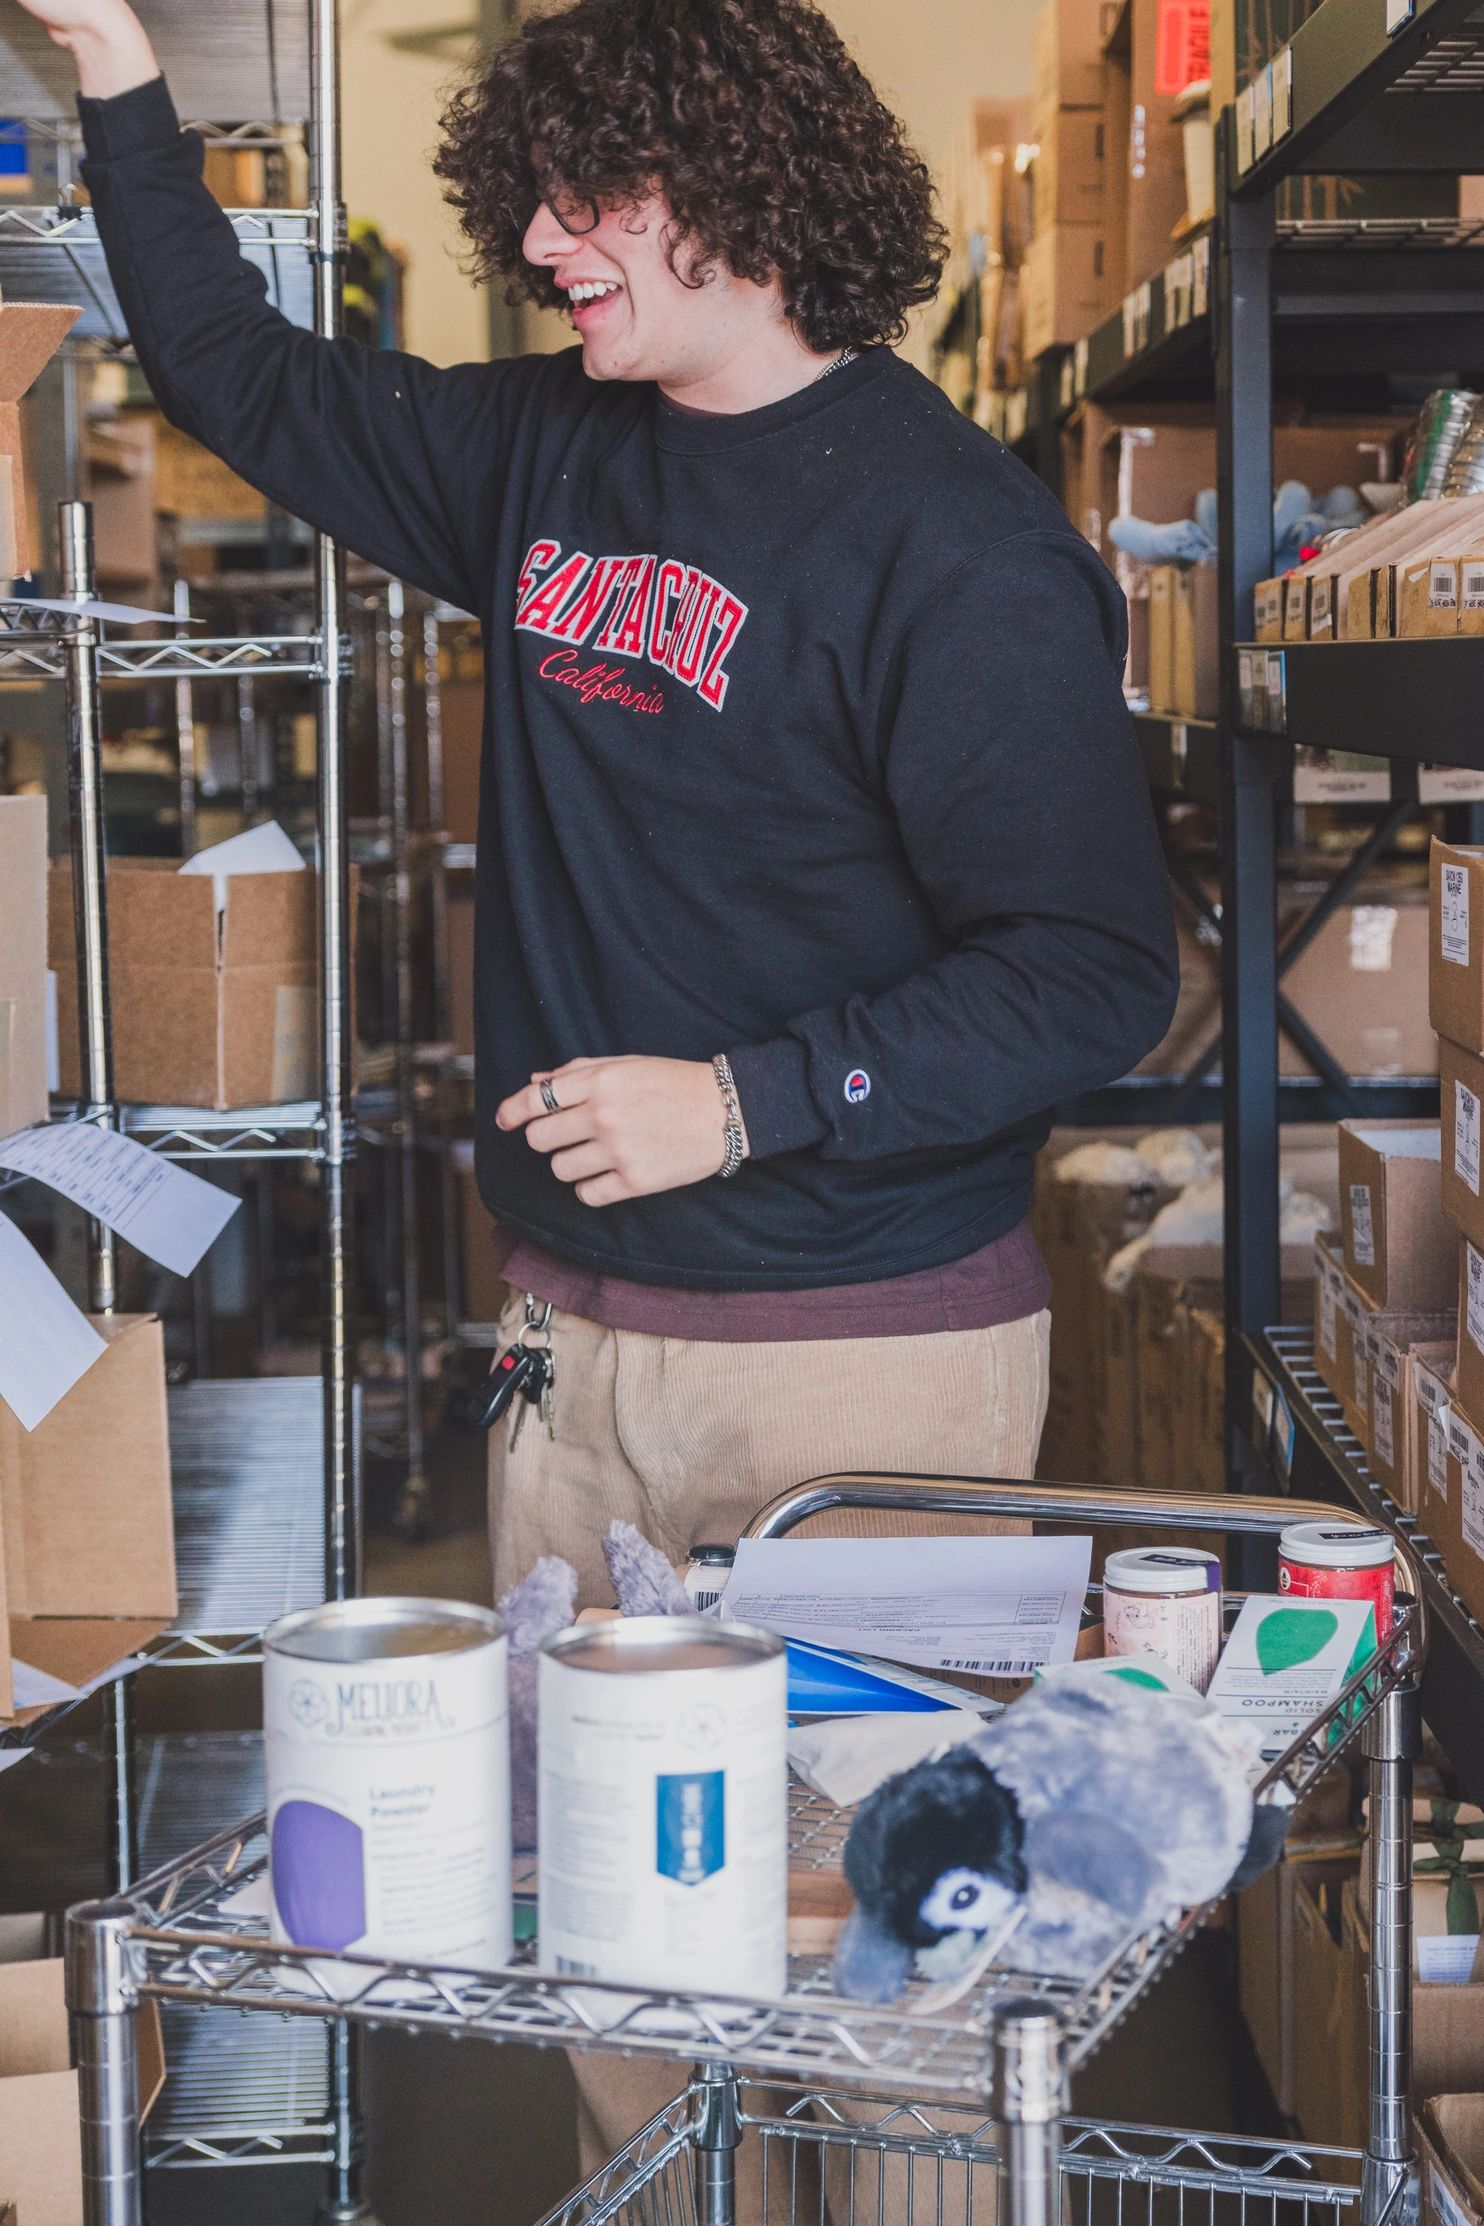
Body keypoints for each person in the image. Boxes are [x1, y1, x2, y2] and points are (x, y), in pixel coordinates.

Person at [18, 0, 1178, 2205]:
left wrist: (745, 1102)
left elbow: (1094, 966)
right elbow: (242, 378)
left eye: (592, 197)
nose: (543, 240)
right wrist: (117, 76)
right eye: (529, 198)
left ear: (745, 188)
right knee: (615, 1991)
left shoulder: (955, 543)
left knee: (886, 2009)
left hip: (870, 1378)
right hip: (579, 1368)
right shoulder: (546, 450)